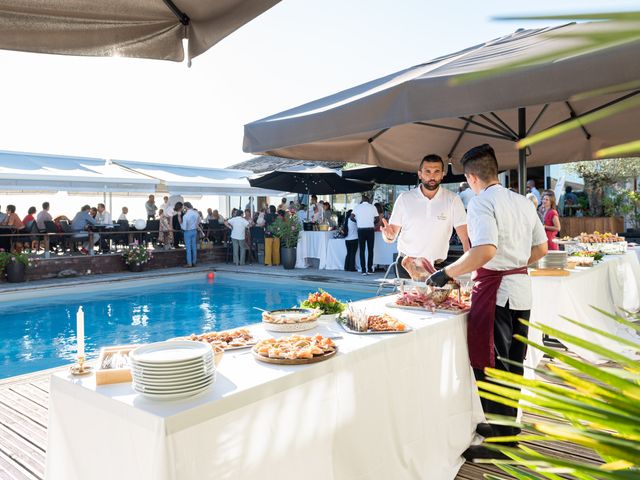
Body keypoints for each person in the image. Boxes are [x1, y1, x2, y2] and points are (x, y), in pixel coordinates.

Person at [426, 144, 547, 461]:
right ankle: (504, 426)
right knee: (512, 365)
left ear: (470, 177)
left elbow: (485, 251)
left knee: (489, 365)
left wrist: (445, 273)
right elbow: (542, 248)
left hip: (496, 293)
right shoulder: (522, 202)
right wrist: (515, 263)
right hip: (521, 290)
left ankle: (503, 443)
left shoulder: (480, 204)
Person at [381, 154, 470, 278]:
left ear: (443, 174)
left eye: (436, 171)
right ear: (420, 174)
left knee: (439, 298)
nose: (432, 176)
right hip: (407, 265)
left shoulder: (453, 199)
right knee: (408, 297)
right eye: (427, 171)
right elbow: (391, 237)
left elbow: (465, 238)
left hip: (438, 267)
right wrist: (388, 236)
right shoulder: (404, 198)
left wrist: (470, 267)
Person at [353, 194, 379, 275]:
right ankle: (370, 269)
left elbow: (351, 217)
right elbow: (377, 219)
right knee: (370, 250)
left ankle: (363, 270)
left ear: (362, 200)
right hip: (370, 230)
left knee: (362, 250)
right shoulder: (372, 207)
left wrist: (358, 222)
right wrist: (372, 222)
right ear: (368, 200)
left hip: (361, 230)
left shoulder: (357, 207)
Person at [180, 202, 199, 267]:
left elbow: (184, 227)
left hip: (188, 232)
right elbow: (198, 222)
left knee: (188, 248)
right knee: (194, 247)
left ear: (185, 207)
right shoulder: (196, 213)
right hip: (194, 231)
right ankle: (194, 262)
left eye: (183, 207)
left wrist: (181, 224)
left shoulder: (185, 216)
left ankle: (189, 263)